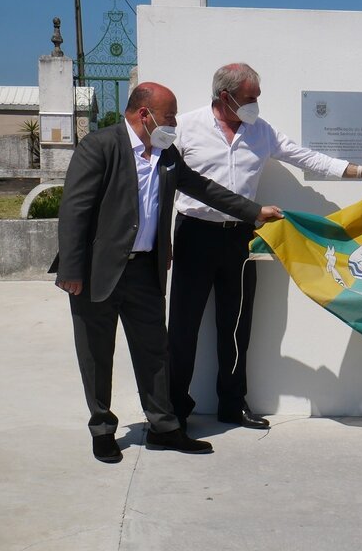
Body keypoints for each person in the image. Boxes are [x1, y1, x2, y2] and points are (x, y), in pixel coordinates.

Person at [51, 82, 283, 463]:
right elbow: (74, 211)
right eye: (170, 116)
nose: (174, 123)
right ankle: (103, 429)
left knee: (155, 352)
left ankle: (164, 427)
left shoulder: (166, 153)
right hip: (96, 272)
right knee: (96, 353)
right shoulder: (100, 146)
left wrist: (253, 211)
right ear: (145, 114)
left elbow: (203, 187)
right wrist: (71, 270)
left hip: (145, 270)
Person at [168, 63, 362, 431]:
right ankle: (174, 409)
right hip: (194, 234)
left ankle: (232, 403)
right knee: (183, 327)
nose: (256, 104)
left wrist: (359, 171)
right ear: (226, 97)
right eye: (250, 98)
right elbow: (161, 180)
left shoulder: (261, 131)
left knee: (237, 326)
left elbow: (304, 156)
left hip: (241, 238)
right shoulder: (187, 127)